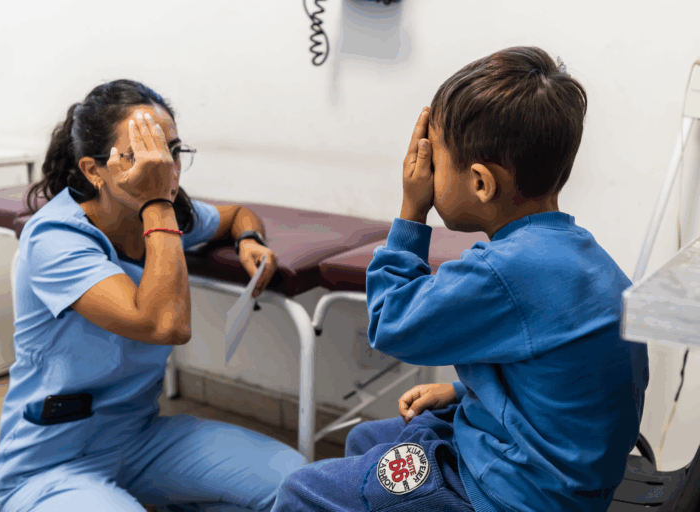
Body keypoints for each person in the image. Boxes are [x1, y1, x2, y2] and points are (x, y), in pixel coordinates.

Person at [272, 47, 649, 512]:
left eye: (436, 161)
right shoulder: (579, 253)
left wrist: (412, 209)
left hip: (514, 492)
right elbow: (558, 383)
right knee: (368, 437)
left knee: (299, 492)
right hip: (566, 472)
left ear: (480, 183)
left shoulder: (508, 271)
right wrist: (459, 391)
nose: (424, 173)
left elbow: (392, 322)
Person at [0, 79, 305, 512]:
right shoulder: (55, 237)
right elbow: (164, 324)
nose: (166, 168)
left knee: (298, 482)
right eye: (142, 155)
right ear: (92, 169)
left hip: (138, 439)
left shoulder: (162, 217)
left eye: (172, 151)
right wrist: (157, 201)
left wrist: (247, 238)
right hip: (49, 463)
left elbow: (235, 214)